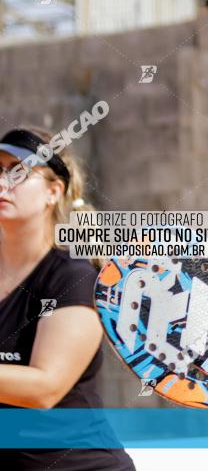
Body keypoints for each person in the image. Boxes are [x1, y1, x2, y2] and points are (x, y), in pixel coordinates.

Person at [0, 127, 135, 470]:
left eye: (17, 172)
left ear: (52, 192)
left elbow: (44, 388)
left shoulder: (73, 277)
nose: (3, 182)